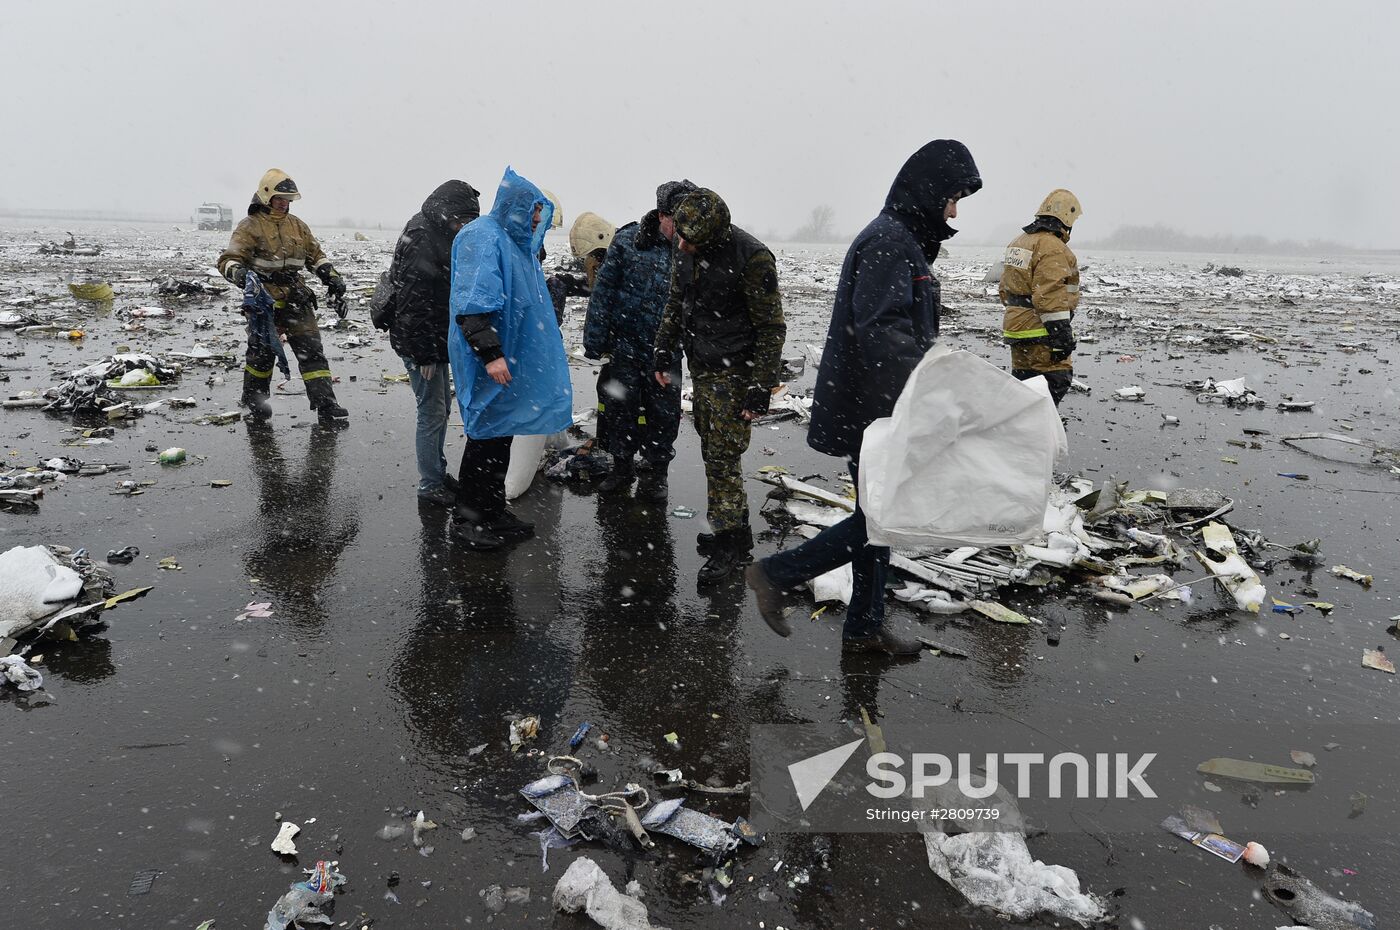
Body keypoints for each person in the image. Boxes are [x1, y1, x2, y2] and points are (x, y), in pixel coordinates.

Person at [745, 139, 982, 655]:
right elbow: (881, 332)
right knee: (882, 517)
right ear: (929, 191)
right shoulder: (889, 242)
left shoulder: (902, 240)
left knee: (880, 516)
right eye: (953, 197)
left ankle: (864, 627)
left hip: (878, 406)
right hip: (874, 410)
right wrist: (930, 390)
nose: (955, 210)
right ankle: (777, 574)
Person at [653, 188, 786, 584]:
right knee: (711, 446)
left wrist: (760, 386)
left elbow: (771, 327)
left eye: (691, 241)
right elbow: (675, 303)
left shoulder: (752, 258)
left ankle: (731, 548)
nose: (683, 246)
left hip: (737, 370)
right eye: (681, 237)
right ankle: (737, 531)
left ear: (714, 235)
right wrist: (663, 350)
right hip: (704, 363)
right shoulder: (686, 246)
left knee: (723, 457)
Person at [447, 167, 573, 550]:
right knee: (485, 437)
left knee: (502, 434)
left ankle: (492, 511)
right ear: (516, 205)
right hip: (490, 358)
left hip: (510, 357)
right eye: (535, 210)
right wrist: (490, 354)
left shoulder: (518, 245)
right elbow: (471, 306)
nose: (538, 219)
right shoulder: (482, 238)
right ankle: (468, 520)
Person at [585, 180, 694, 501]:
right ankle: (622, 467)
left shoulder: (692, 248)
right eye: (679, 219)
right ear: (662, 215)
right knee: (621, 408)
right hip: (625, 346)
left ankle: (657, 471)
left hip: (668, 351)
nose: (685, 227)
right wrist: (595, 339)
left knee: (664, 412)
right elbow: (602, 294)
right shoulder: (627, 243)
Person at [218, 168, 350, 424]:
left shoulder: (297, 226)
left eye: (288, 200)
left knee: (312, 352)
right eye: (280, 198)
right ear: (266, 196)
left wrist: (331, 275)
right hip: (263, 302)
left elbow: (315, 256)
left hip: (296, 297)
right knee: (261, 354)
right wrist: (242, 275)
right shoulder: (250, 226)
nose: (284, 204)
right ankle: (256, 404)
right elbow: (228, 260)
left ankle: (326, 405)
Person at [386, 180, 482, 506]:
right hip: (419, 342)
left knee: (442, 407)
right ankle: (429, 485)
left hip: (433, 336)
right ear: (448, 213)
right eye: (463, 220)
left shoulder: (438, 230)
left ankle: (438, 473)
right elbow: (413, 303)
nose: (464, 227)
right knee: (431, 411)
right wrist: (424, 353)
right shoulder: (423, 237)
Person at [1000, 189, 1083, 405]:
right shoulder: (1052, 247)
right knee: (1054, 381)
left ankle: (1022, 432)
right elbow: (1050, 294)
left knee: (1025, 386)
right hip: (1040, 331)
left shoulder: (1019, 242)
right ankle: (1040, 435)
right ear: (1067, 219)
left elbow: (1005, 289)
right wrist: (1061, 335)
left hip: (1016, 328)